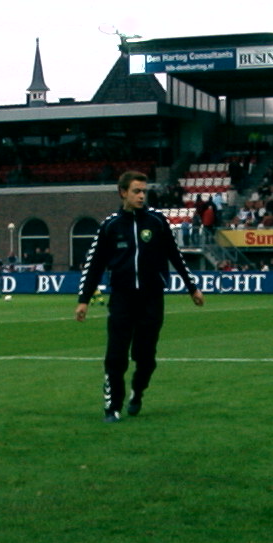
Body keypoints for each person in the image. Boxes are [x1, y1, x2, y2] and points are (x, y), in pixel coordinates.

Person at [74, 171, 204, 421]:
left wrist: (192, 288)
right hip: (122, 299)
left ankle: (138, 392)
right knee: (115, 356)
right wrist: (83, 300)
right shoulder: (110, 226)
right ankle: (112, 408)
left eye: (144, 191)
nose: (142, 196)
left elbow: (175, 255)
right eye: (136, 191)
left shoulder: (157, 222)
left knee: (145, 358)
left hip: (152, 299)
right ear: (123, 192)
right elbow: (94, 264)